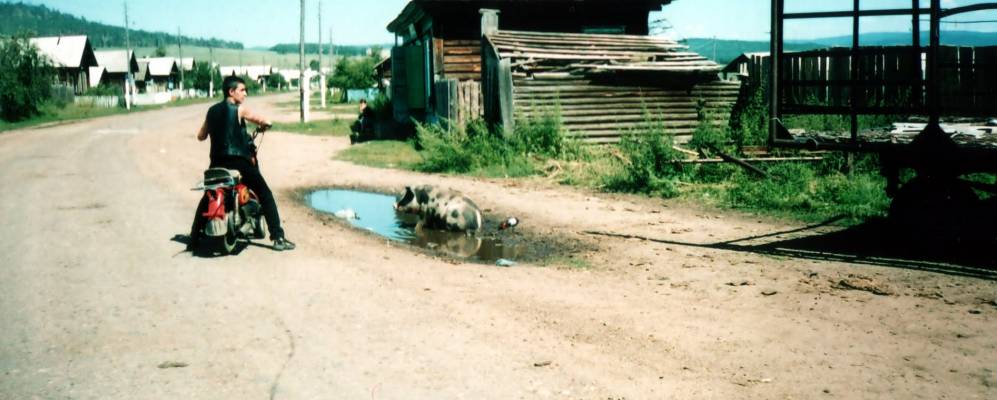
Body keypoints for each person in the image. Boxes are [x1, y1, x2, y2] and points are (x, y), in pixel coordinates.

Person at [187, 76, 296, 251]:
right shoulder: (239, 109)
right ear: (231, 92)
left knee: (208, 195)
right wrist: (266, 124)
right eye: (242, 90)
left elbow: (201, 136)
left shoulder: (211, 111)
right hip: (238, 162)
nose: (245, 93)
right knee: (264, 193)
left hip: (216, 164)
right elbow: (262, 120)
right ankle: (278, 237)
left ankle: (193, 239)